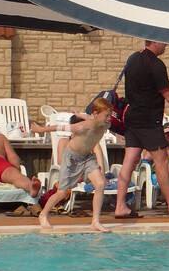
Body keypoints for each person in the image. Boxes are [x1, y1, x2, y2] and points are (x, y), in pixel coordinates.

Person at [115, 40, 169, 219]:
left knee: (129, 161)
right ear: (154, 41)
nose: (166, 45)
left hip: (131, 118)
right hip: (148, 121)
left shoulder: (133, 58)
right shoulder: (156, 65)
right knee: (162, 161)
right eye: (163, 42)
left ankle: (120, 207)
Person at [33, 99, 113, 232]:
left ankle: (95, 221)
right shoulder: (82, 126)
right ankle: (43, 215)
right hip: (71, 158)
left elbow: (88, 116)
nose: (109, 118)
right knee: (62, 192)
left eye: (110, 115)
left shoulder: (105, 124)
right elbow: (58, 128)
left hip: (87, 157)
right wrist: (41, 129)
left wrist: (78, 114)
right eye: (107, 115)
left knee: (100, 184)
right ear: (96, 114)